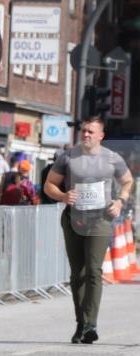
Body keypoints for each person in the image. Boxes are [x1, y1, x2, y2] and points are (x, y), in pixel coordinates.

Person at [44, 115, 133, 344]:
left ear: (101, 135)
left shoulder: (112, 159)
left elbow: (127, 181)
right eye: (83, 131)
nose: (86, 135)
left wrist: (120, 201)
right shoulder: (67, 157)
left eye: (91, 132)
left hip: (99, 219)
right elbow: (49, 185)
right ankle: (81, 323)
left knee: (94, 270)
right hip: (74, 218)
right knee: (78, 274)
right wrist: (63, 195)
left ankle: (91, 324)